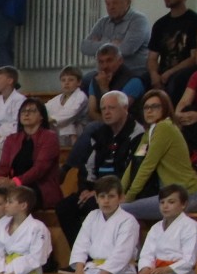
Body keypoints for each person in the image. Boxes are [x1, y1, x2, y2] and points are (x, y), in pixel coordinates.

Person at [58, 90, 142, 245]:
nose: (106, 112)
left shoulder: (137, 134)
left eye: (111, 108)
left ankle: (100, 251)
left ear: (125, 108)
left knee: (94, 205)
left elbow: (131, 170)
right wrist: (84, 188)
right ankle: (81, 254)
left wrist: (98, 192)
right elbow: (86, 165)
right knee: (64, 207)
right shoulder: (99, 133)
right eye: (103, 109)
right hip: (95, 189)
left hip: (119, 189)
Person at [120, 90, 197, 221]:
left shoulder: (164, 128)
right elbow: (134, 163)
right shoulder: (149, 132)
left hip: (185, 196)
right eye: (146, 107)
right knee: (117, 207)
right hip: (167, 195)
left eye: (155, 106)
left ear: (165, 108)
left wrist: (128, 197)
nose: (149, 111)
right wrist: (120, 192)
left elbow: (147, 166)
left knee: (121, 210)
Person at [0, 98, 61, 209]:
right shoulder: (11, 139)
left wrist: (15, 182)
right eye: (23, 111)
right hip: (14, 186)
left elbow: (40, 169)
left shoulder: (49, 137)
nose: (26, 114)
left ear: (41, 116)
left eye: (32, 111)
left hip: (40, 187)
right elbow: (3, 165)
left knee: (16, 200)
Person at [148, 0, 197, 104]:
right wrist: (154, 74)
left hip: (183, 71)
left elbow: (194, 57)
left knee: (175, 81)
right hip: (162, 71)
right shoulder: (160, 24)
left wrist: (170, 72)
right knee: (140, 80)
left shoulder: (196, 21)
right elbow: (152, 57)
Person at [79, 0, 150, 78]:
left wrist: (99, 43)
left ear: (128, 2)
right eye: (108, 4)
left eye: (115, 3)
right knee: (83, 81)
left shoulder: (139, 20)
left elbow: (127, 49)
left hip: (131, 72)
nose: (111, 7)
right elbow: (84, 47)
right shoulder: (103, 22)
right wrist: (112, 43)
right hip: (105, 72)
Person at [46, 67, 90, 151]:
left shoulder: (81, 96)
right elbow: (45, 108)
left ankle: (73, 151)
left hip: (80, 131)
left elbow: (71, 113)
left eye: (71, 80)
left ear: (79, 82)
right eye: (63, 80)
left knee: (68, 124)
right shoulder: (57, 99)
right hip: (60, 133)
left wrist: (51, 119)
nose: (66, 83)